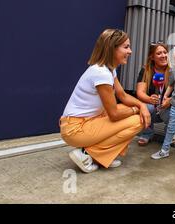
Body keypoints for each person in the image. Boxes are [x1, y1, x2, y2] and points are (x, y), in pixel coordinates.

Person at [60, 29, 150, 173]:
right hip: (75, 129)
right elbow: (113, 114)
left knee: (125, 109)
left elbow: (122, 95)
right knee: (138, 120)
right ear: (111, 48)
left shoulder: (108, 69)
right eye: (126, 47)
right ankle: (87, 154)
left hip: (86, 121)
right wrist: (137, 109)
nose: (130, 51)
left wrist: (141, 104)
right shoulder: (101, 73)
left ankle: (96, 155)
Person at [136, 42, 174, 146]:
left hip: (168, 107)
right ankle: (147, 133)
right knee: (145, 107)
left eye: (165, 52)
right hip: (153, 108)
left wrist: (170, 101)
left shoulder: (173, 71)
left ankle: (170, 134)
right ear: (152, 57)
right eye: (159, 53)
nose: (163, 56)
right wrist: (149, 99)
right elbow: (140, 92)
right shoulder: (146, 70)